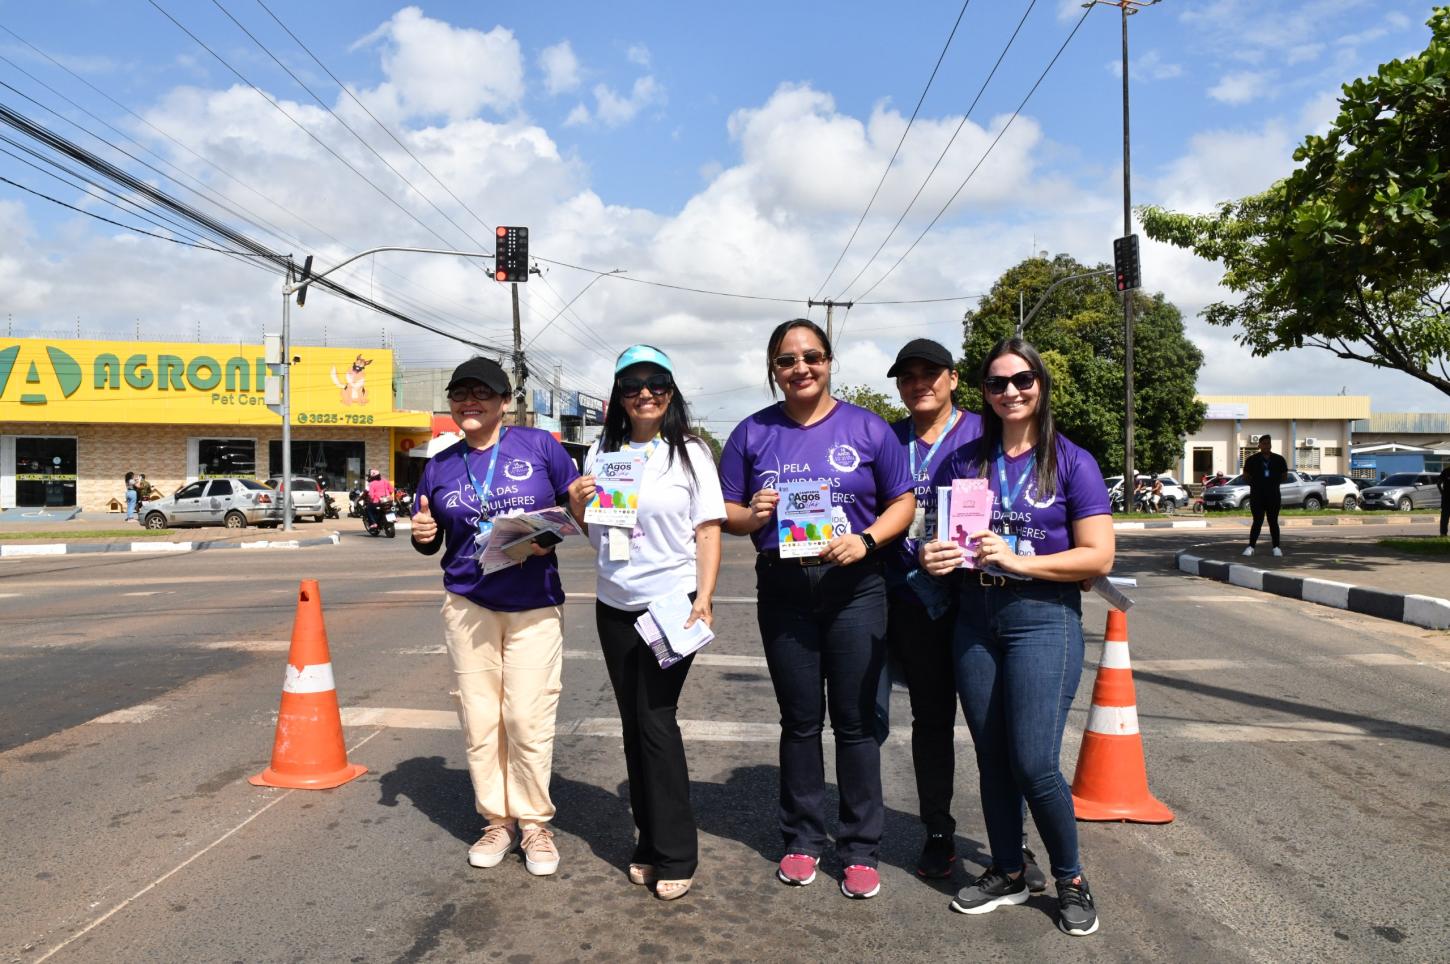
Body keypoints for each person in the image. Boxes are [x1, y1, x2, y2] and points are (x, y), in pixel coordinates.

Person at [920, 336, 1114, 937]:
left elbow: (1098, 556)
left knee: (1033, 761)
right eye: (998, 383)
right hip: (975, 618)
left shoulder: (1072, 461)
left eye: (1022, 381)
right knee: (993, 756)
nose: (1011, 392)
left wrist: (1021, 563)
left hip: (1043, 618)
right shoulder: (963, 462)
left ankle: (1070, 877)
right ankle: (1008, 869)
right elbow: (937, 532)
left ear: (1041, 386)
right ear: (983, 392)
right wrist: (933, 554)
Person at [719, 318, 916, 900]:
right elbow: (726, 513)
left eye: (812, 356)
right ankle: (802, 839)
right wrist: (754, 512)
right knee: (800, 722)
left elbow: (901, 500)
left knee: (856, 723)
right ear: (773, 370)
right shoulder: (752, 433)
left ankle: (860, 849)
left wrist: (868, 540)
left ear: (830, 361)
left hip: (855, 586)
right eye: (787, 360)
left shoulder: (867, 427)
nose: (800, 368)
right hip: (784, 589)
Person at [410, 357, 582, 877]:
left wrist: (541, 537)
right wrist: (422, 537)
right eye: (459, 393)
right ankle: (496, 819)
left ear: (505, 402)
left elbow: (573, 510)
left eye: (481, 393)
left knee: (526, 717)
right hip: (468, 606)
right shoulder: (439, 464)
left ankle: (533, 823)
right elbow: (433, 536)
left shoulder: (541, 448)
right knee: (480, 718)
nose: (469, 401)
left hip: (532, 604)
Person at [571, 345, 725, 901]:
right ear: (618, 396)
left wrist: (703, 596)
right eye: (632, 385)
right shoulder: (601, 452)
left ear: (671, 392)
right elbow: (596, 535)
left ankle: (676, 851)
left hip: (670, 602)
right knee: (633, 725)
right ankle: (648, 841)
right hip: (614, 604)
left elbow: (708, 528)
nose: (645, 394)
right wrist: (574, 503)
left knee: (657, 720)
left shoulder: (690, 453)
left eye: (656, 384)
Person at [876, 338, 997, 880]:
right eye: (908, 376)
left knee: (996, 725)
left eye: (930, 373)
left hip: (977, 600)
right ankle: (938, 830)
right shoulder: (885, 438)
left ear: (952, 379)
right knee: (931, 722)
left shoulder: (984, 431)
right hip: (908, 600)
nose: (919, 383)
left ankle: (1011, 845)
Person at [1242, 434, 1288, 557]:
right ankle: (1251, 547)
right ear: (1259, 445)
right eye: (1264, 443)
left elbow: (1284, 476)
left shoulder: (1279, 459)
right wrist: (1256, 484)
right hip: (1257, 495)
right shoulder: (1252, 460)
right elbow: (1245, 476)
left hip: (1273, 495)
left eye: (1269, 443)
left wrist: (1272, 483)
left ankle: (1276, 547)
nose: (1267, 445)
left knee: (1273, 521)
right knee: (1257, 521)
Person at [1438, 463, 1449, 538]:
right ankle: (1443, 533)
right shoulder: (1446, 471)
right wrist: (1442, 493)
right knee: (1444, 517)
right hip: (1446, 499)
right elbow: (1438, 483)